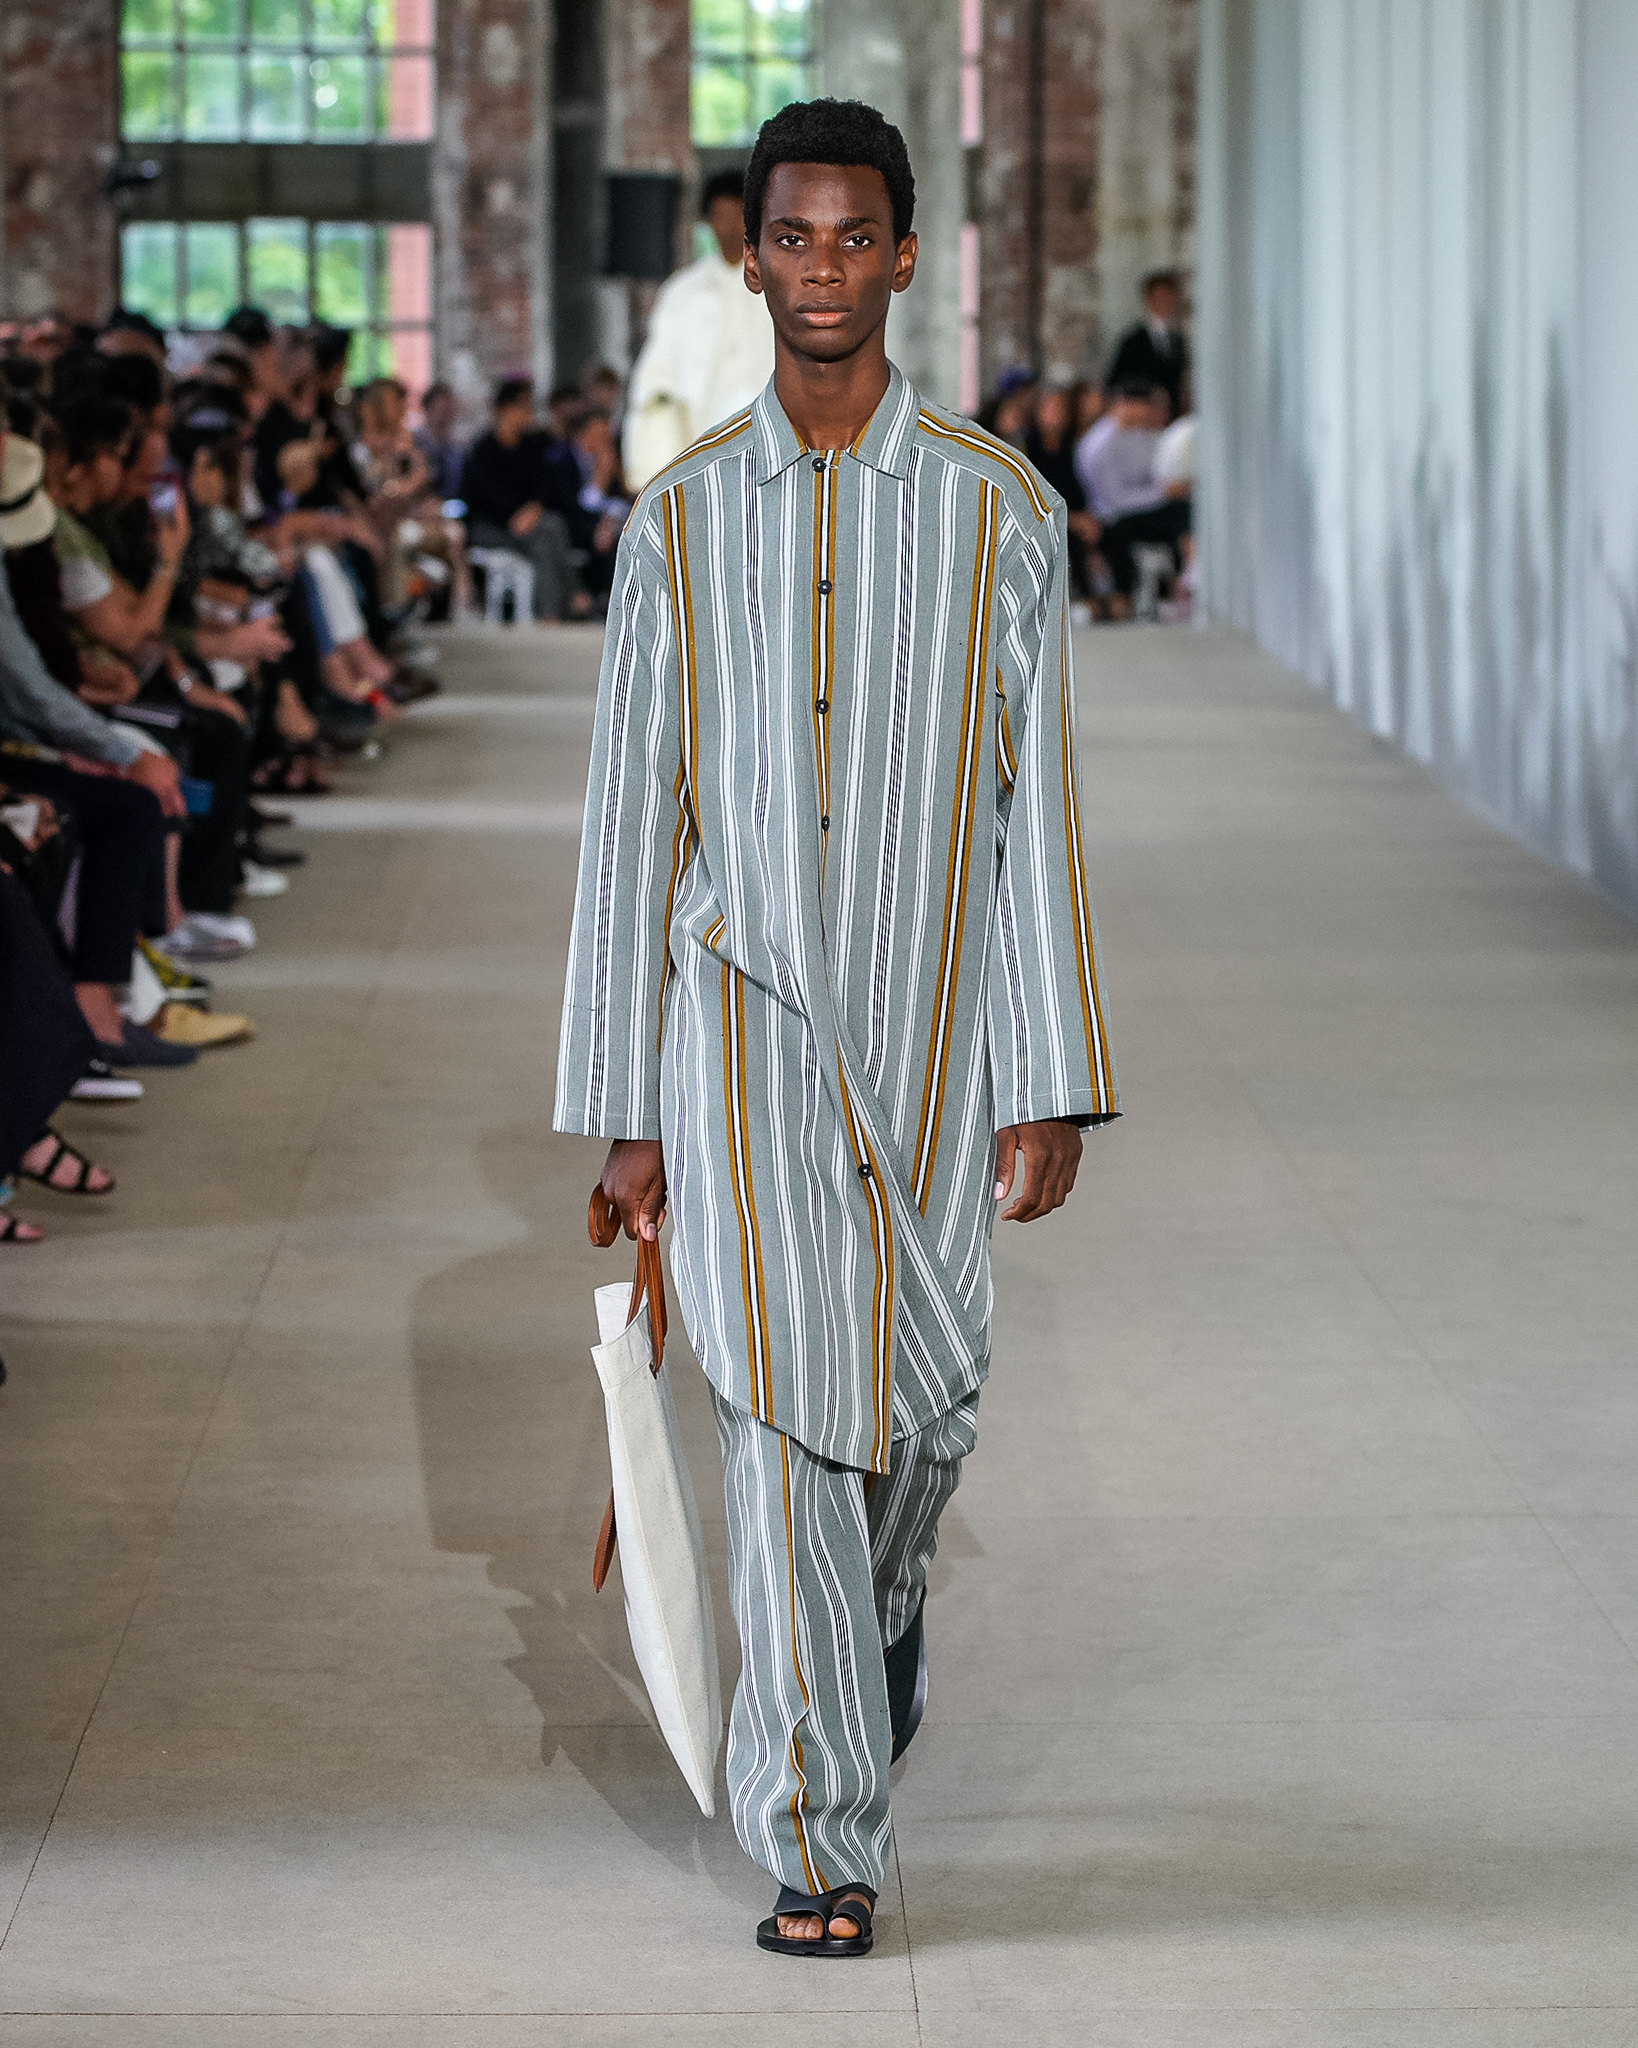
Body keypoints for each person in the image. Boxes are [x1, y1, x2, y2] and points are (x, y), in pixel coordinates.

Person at [555, 97, 1118, 1960]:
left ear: (901, 257)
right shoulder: (677, 522)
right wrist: (624, 1098)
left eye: (851, 237)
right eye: (788, 237)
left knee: (922, 1415)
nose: (819, 269)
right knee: (784, 1425)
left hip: (937, 1033)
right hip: (737, 1033)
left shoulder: (995, 508)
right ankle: (821, 1838)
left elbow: (1036, 809)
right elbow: (630, 822)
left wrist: (1048, 1073)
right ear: (749, 258)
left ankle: (874, 1629)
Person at [622, 169, 776, 489]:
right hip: (703, 437)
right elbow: (658, 379)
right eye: (720, 216)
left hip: (770, 433)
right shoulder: (683, 292)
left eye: (737, 215)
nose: (729, 226)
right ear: (708, 222)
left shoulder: (780, 285)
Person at [459, 377, 578, 621]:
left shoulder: (533, 446)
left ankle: (550, 613)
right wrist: (514, 517)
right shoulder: (482, 450)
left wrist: (534, 509)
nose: (527, 412)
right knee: (550, 528)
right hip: (490, 527)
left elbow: (547, 486)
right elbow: (485, 497)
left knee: (545, 539)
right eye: (522, 406)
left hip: (530, 526)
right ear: (504, 408)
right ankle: (573, 594)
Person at [1074, 382, 1190, 600]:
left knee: (1185, 507)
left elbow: (1155, 470)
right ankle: (1186, 578)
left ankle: (1184, 575)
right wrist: (1164, 492)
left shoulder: (1138, 433)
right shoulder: (1101, 444)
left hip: (1138, 508)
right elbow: (1116, 500)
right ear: (1128, 405)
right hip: (1112, 518)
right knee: (1181, 514)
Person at [1105, 269, 1190, 418]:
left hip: (1171, 416)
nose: (1164, 302)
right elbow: (1117, 381)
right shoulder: (1133, 341)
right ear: (1149, 299)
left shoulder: (1178, 339)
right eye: (1159, 297)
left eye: (1168, 297)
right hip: (1142, 416)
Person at [413, 381, 466, 501]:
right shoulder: (412, 442)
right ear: (427, 409)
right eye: (441, 410)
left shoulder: (457, 447)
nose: (446, 416)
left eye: (450, 410)